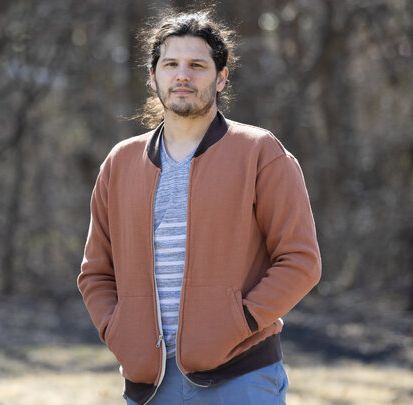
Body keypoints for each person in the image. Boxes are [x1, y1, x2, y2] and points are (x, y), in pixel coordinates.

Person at [77, 9, 321, 405]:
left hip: (241, 377)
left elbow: (300, 260)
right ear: (152, 75)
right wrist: (116, 328)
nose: (182, 76)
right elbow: (95, 273)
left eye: (197, 65)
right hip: (148, 384)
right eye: (170, 64)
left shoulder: (260, 153)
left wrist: (239, 320)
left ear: (221, 76)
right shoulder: (120, 163)